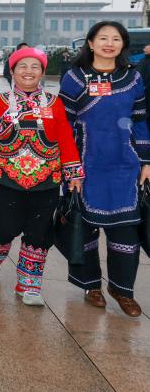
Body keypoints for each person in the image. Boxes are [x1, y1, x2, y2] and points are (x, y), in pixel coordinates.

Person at [0, 47, 84, 305]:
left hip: (47, 180)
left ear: (42, 72)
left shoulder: (54, 102)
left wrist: (73, 174)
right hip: (7, 178)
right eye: (22, 66)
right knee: (4, 228)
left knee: (39, 232)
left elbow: (65, 139)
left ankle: (29, 285)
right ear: (12, 71)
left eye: (35, 67)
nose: (28, 71)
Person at [59, 21, 148, 317]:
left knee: (126, 231)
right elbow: (64, 124)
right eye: (103, 38)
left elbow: (140, 120)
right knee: (84, 229)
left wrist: (146, 161)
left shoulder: (133, 78)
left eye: (116, 39)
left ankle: (122, 290)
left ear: (123, 45)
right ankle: (91, 286)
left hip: (124, 165)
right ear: (90, 43)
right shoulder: (74, 77)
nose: (109, 44)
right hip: (86, 164)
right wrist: (70, 168)